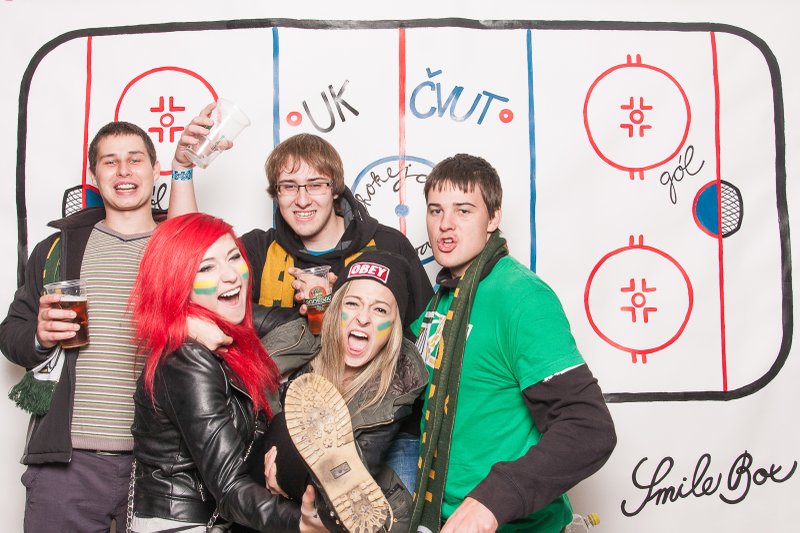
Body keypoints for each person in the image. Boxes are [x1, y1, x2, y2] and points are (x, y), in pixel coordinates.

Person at [169, 103, 433, 491]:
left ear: (336, 189)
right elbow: (184, 259)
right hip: (291, 432)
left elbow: (422, 343)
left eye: (315, 185)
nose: (302, 199)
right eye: (288, 186)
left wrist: (334, 306)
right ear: (275, 194)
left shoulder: (387, 246)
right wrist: (182, 168)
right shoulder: (259, 250)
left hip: (385, 434)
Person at [409, 154, 617, 532]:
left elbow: (589, 428)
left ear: (493, 218)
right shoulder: (442, 300)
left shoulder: (521, 297)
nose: (445, 224)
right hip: (443, 521)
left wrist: (494, 499)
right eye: (436, 210)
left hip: (513, 524)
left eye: (463, 210)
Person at [0, 121, 163, 532]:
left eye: (135, 160)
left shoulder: (180, 248)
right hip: (69, 462)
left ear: (155, 169)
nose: (123, 171)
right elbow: (11, 332)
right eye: (110, 162)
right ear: (94, 175)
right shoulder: (60, 248)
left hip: (161, 462)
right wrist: (39, 336)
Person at [128, 212, 322, 532]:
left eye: (234, 257)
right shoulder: (187, 358)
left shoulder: (229, 328)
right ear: (178, 281)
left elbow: (311, 329)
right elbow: (229, 487)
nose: (231, 275)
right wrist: (302, 523)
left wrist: (320, 298)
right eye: (206, 267)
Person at [252, 250, 427, 533]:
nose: (363, 319)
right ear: (335, 309)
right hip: (270, 504)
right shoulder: (302, 340)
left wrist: (285, 478)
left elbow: (352, 478)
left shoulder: (398, 382)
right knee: (283, 422)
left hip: (342, 510)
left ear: (394, 326)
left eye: (380, 310)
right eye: (353, 303)